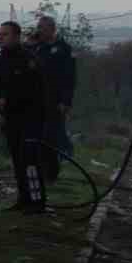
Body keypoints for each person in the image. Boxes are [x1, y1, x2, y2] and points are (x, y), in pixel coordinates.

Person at [0, 21, 50, 212]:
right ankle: (24, 199)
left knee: (30, 160)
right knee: (17, 160)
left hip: (31, 118)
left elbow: (35, 92)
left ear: (16, 36)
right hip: (11, 120)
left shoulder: (29, 61)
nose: (0, 38)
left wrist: (6, 101)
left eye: (4, 34)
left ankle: (37, 202)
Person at [31, 15, 76, 182]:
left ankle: (51, 174)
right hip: (36, 101)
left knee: (51, 137)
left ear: (52, 29)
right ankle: (38, 171)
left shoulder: (64, 49)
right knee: (37, 137)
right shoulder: (37, 48)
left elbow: (69, 78)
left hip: (55, 101)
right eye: (38, 27)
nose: (39, 30)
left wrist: (66, 101)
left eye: (42, 28)